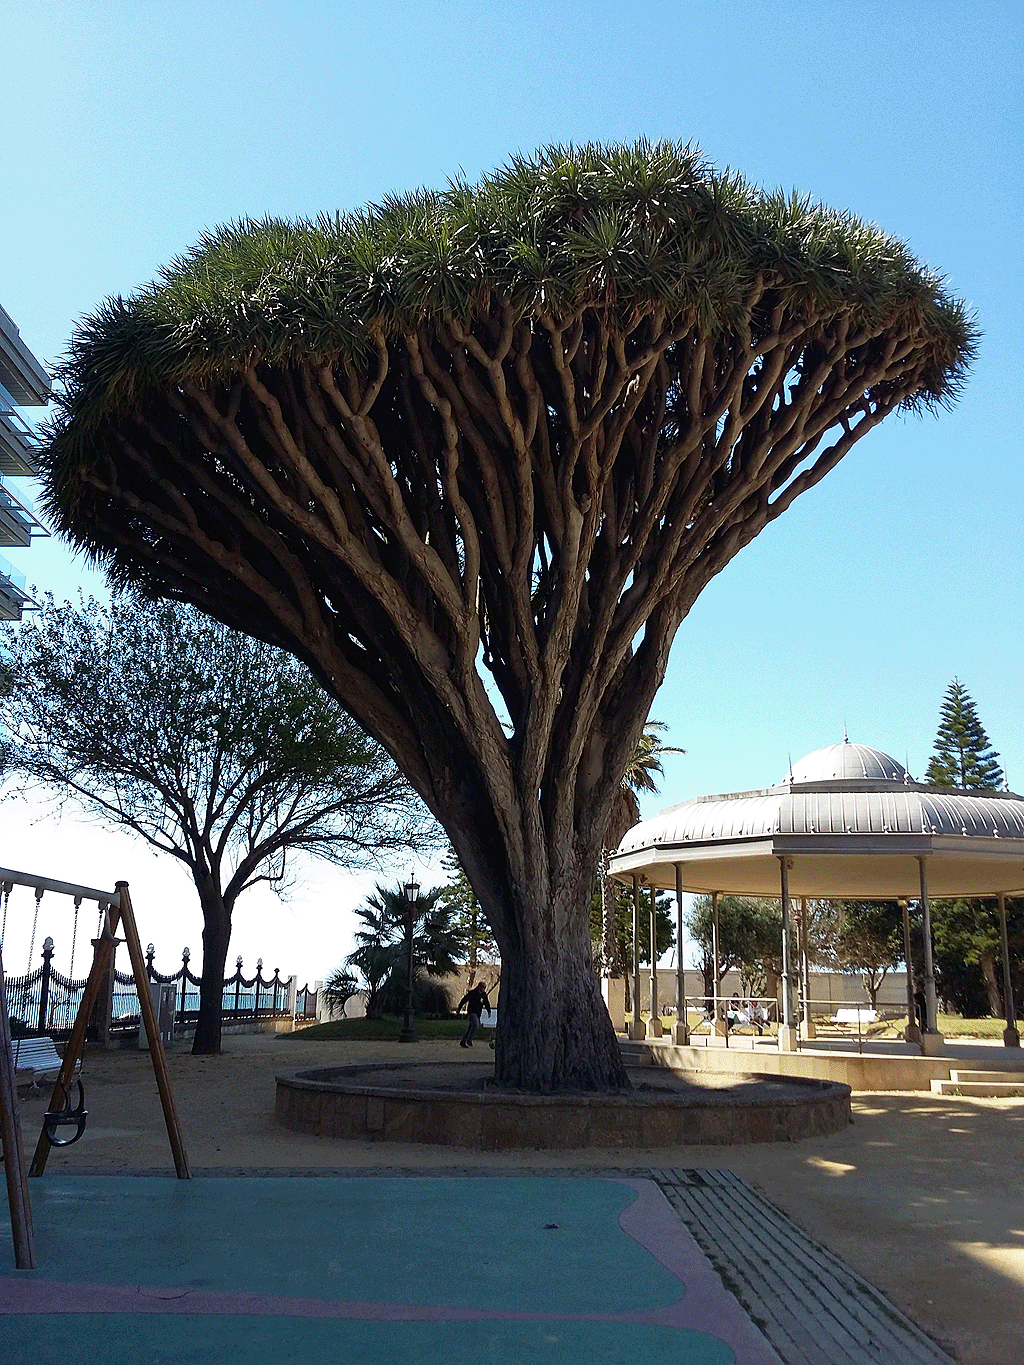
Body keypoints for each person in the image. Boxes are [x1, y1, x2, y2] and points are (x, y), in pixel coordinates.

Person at [457, 981, 492, 1047]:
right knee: (475, 1025)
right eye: (482, 987)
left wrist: (489, 1011)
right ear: (479, 987)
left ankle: (463, 1041)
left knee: (471, 1027)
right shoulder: (473, 993)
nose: (483, 989)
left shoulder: (483, 995)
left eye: (484, 987)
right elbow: (464, 999)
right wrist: (459, 1008)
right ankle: (469, 1040)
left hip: (478, 1013)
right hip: (472, 1012)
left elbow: (486, 1003)